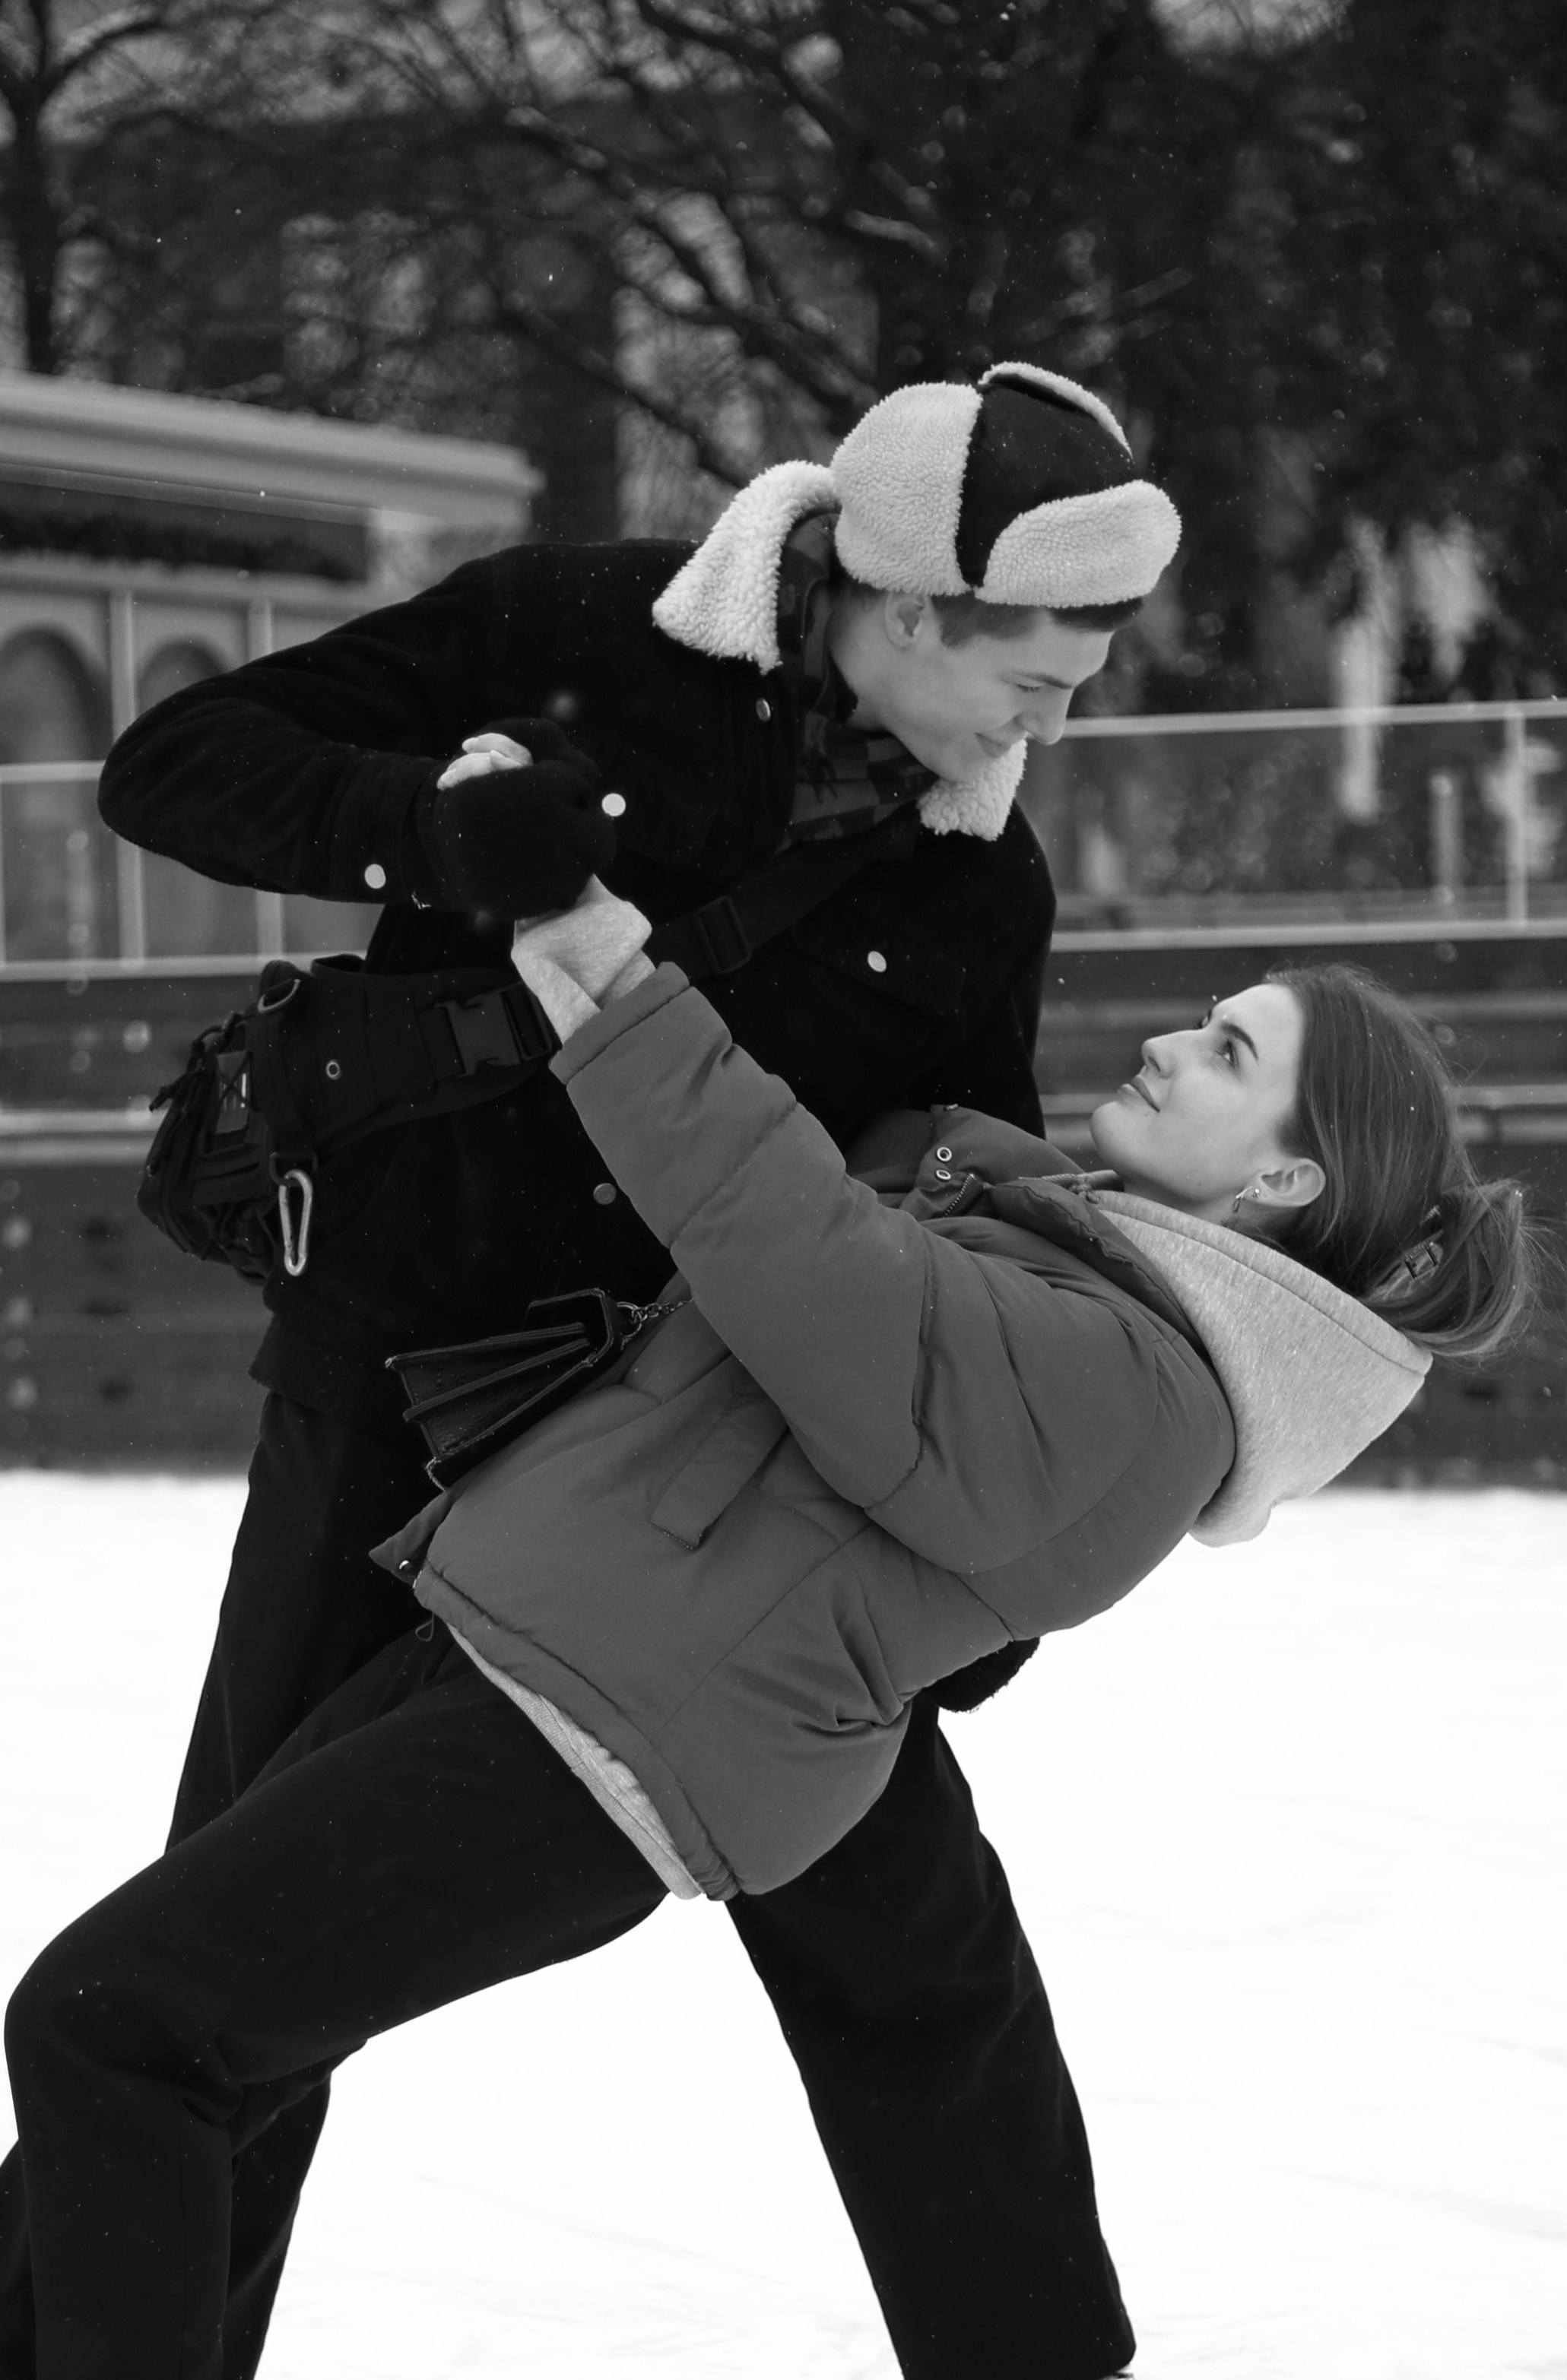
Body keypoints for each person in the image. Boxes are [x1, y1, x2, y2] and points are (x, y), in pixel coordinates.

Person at [0, 363, 1182, 2380]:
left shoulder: (980, 883)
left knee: (924, 1975)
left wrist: (979, 1556)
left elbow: (964, 1192)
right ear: (905, 604)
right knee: (220, 1982)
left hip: (709, 1493)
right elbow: (171, 766)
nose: (1049, 726)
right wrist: (426, 822)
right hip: (392, 1403)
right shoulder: (580, 635)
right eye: (1035, 676)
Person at [3, 938, 1537, 2376]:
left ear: (1284, 1173)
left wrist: (608, 966)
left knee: (114, 2031)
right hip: (524, 1664)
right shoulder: (1063, 1252)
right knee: (195, 2054)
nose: (1163, 1043)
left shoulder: (1146, 1383)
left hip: (594, 1748)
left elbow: (798, 1255)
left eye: (1225, 1050)